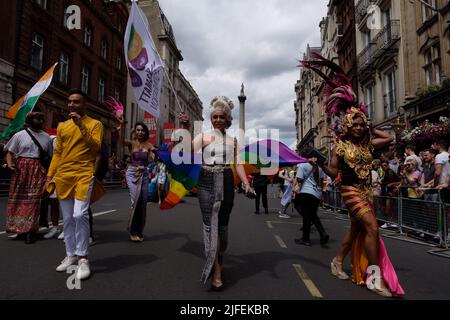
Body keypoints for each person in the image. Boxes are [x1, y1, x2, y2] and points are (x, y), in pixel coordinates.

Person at [301, 53, 404, 297]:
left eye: (361, 124)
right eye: (355, 124)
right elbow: (334, 171)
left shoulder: (367, 145)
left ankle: (337, 261)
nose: (358, 128)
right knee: (373, 228)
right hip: (349, 190)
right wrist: (320, 164)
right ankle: (374, 277)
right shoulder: (341, 147)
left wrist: (370, 127)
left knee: (357, 230)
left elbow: (388, 138)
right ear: (347, 126)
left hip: (367, 190)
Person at [179, 95, 254, 291]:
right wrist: (185, 128)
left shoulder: (233, 141)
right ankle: (217, 271)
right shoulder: (203, 137)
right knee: (209, 225)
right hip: (206, 180)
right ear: (211, 119)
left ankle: (218, 256)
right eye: (215, 117)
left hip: (227, 180)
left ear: (228, 119)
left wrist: (246, 184)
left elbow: (238, 164)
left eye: (222, 117)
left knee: (222, 227)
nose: (218, 120)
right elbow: (185, 150)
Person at [45, 88, 104, 280]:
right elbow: (58, 154)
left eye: (76, 101)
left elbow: (95, 147)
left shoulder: (95, 124)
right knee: (68, 219)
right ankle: (70, 255)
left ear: (84, 104)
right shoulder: (62, 126)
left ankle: (83, 258)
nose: (72, 105)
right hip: (63, 175)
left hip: (83, 173)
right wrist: (49, 175)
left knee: (80, 214)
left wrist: (80, 126)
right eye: (70, 101)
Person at [4, 112, 51, 244]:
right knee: (18, 199)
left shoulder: (46, 137)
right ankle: (20, 230)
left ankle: (31, 231)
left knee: (34, 200)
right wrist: (10, 164)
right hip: (21, 169)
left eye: (42, 118)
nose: (41, 121)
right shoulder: (20, 135)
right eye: (37, 118)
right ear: (30, 120)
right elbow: (10, 152)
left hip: (37, 169)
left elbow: (49, 155)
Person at [123, 122, 154, 242]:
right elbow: (121, 141)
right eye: (138, 130)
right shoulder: (132, 143)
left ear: (145, 132)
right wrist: (122, 127)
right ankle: (133, 231)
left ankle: (139, 230)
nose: (140, 132)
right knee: (135, 200)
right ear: (135, 132)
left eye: (142, 130)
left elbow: (152, 157)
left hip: (144, 174)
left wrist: (156, 153)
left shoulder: (149, 145)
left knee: (142, 202)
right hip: (132, 173)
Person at [292, 147, 329, 246]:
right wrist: (321, 194)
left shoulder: (303, 166)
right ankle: (321, 234)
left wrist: (296, 186)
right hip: (317, 194)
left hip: (306, 192)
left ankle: (307, 238)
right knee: (312, 215)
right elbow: (321, 182)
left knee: (306, 214)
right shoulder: (320, 168)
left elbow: (299, 180)